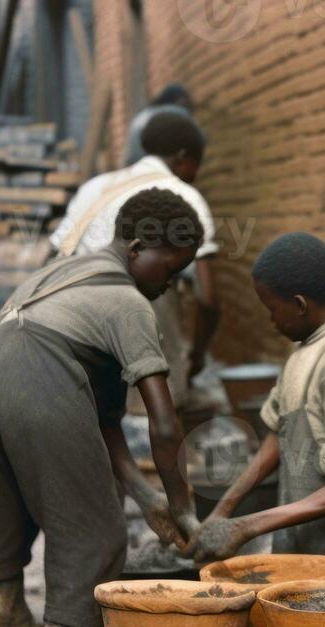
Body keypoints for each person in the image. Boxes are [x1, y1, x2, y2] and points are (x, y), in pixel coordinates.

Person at [0, 189, 203, 627]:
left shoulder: (66, 274)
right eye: (170, 270)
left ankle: (6, 623)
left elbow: (103, 422)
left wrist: (147, 499)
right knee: (95, 527)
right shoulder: (127, 302)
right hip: (37, 372)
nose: (170, 284)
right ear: (140, 246)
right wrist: (185, 506)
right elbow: (164, 424)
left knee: (6, 499)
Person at [187, 233, 325, 571]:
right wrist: (224, 511)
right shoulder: (304, 350)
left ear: (299, 305)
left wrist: (249, 525)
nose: (271, 320)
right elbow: (277, 438)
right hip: (298, 532)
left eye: (272, 309)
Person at [50, 108, 221, 409]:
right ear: (183, 158)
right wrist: (196, 355)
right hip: (142, 333)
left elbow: (57, 255)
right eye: (196, 167)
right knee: (155, 422)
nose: (195, 176)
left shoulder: (95, 187)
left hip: (76, 333)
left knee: (100, 421)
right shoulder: (185, 197)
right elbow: (208, 299)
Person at [124, 84, 194, 166]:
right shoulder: (176, 111)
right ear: (179, 100)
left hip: (133, 167)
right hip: (151, 166)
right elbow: (198, 139)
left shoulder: (145, 113)